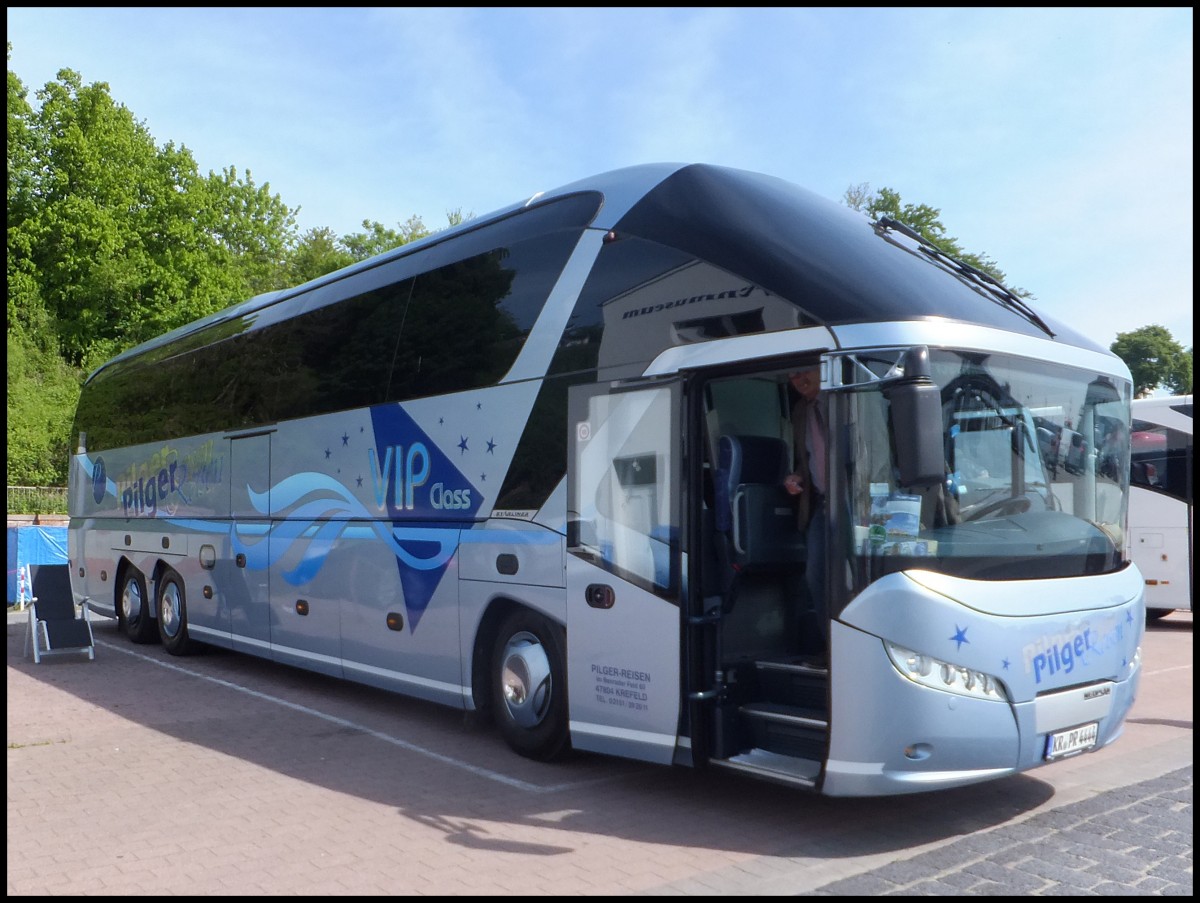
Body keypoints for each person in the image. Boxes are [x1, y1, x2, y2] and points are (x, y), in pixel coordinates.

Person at [783, 364, 828, 659]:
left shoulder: (847, 400)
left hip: (857, 503)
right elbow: (808, 458)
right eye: (792, 374)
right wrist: (797, 476)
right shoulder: (801, 410)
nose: (798, 379)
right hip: (824, 503)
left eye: (803, 371)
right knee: (816, 575)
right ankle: (832, 647)